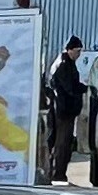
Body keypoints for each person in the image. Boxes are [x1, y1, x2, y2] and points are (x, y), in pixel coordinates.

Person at [37, 33, 85, 182]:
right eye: (77, 51)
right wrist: (84, 88)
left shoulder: (63, 63)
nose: (78, 54)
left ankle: (53, 171)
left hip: (60, 109)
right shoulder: (64, 65)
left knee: (57, 141)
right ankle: (58, 172)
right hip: (63, 111)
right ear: (70, 50)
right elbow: (69, 88)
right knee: (62, 144)